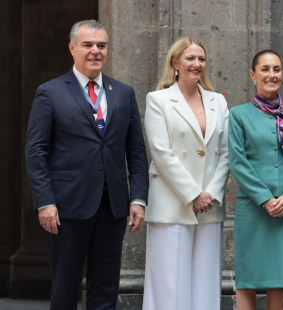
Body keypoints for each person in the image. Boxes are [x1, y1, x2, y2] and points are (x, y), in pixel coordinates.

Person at [25, 20, 148, 309]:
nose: (95, 51)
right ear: (72, 48)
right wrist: (45, 202)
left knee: (105, 288)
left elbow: (136, 150)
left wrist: (139, 198)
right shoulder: (50, 92)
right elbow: (36, 151)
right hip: (67, 207)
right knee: (65, 288)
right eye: (88, 45)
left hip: (113, 206)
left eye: (101, 45)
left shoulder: (124, 93)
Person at [142, 37, 230, 310]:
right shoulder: (158, 100)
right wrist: (193, 194)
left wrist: (210, 194)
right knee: (170, 284)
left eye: (201, 59)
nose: (197, 64)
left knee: (206, 284)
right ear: (175, 63)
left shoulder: (218, 101)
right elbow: (161, 152)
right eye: (190, 58)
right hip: (172, 203)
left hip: (209, 206)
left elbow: (226, 153)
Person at [229, 50, 283, 310]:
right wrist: (266, 199)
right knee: (247, 278)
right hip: (253, 208)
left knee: (280, 278)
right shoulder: (239, 115)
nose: (271, 75)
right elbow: (238, 163)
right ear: (253, 75)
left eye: (276, 69)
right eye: (265, 69)